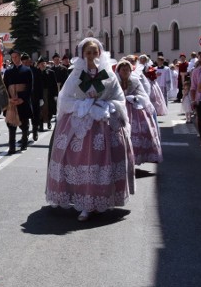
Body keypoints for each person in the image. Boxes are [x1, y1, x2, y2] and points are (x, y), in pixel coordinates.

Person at [45, 38, 134, 221]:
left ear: (99, 53)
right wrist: (84, 105)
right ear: (82, 55)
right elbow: (65, 99)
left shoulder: (108, 74)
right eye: (88, 53)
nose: (92, 56)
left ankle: (102, 198)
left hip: (104, 122)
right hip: (81, 124)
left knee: (103, 163)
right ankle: (85, 203)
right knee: (81, 162)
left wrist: (106, 106)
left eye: (94, 52)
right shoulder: (76, 75)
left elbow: (119, 98)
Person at [117, 60, 162, 166]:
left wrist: (134, 98)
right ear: (118, 71)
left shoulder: (135, 81)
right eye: (123, 70)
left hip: (133, 108)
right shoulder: (115, 81)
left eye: (127, 70)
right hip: (119, 108)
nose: (125, 72)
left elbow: (143, 95)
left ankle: (136, 157)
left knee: (140, 131)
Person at [3, 49, 34, 153]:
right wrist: (9, 99)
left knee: (24, 124)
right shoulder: (8, 71)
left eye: (16, 57)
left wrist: (23, 99)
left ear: (20, 57)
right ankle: (12, 147)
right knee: (11, 125)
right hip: (11, 101)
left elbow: (30, 87)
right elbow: (5, 86)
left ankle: (24, 143)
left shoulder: (27, 70)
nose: (14, 59)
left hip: (22, 101)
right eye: (13, 57)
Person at [38, 57, 59, 131]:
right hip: (39, 94)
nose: (43, 65)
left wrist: (56, 95)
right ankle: (40, 125)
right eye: (41, 63)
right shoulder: (36, 72)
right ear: (38, 65)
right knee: (40, 110)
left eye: (44, 63)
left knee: (49, 109)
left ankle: (49, 122)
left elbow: (54, 84)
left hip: (49, 94)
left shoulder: (51, 72)